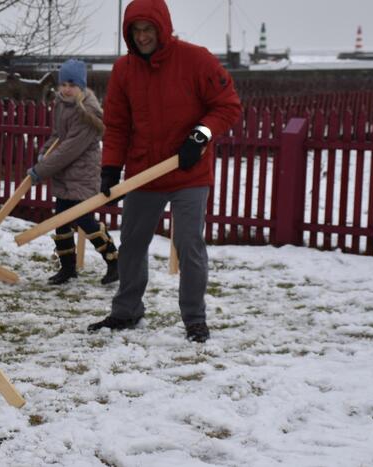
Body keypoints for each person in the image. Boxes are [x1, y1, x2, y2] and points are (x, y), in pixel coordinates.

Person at [88, 0, 241, 343]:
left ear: (162, 28)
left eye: (148, 30)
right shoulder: (125, 70)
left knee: (189, 246)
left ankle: (194, 318)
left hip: (189, 171)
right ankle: (126, 311)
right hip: (146, 172)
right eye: (136, 31)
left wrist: (200, 135)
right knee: (131, 244)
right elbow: (117, 126)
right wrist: (111, 168)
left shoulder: (196, 59)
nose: (142, 37)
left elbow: (227, 105)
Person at [27, 59, 118, 286]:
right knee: (61, 221)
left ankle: (115, 261)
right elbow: (58, 137)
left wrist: (41, 170)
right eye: (63, 84)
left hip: (81, 174)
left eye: (72, 84)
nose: (66, 89)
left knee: (84, 220)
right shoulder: (61, 104)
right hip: (64, 174)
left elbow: (69, 150)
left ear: (81, 86)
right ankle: (67, 268)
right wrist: (44, 152)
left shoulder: (86, 112)